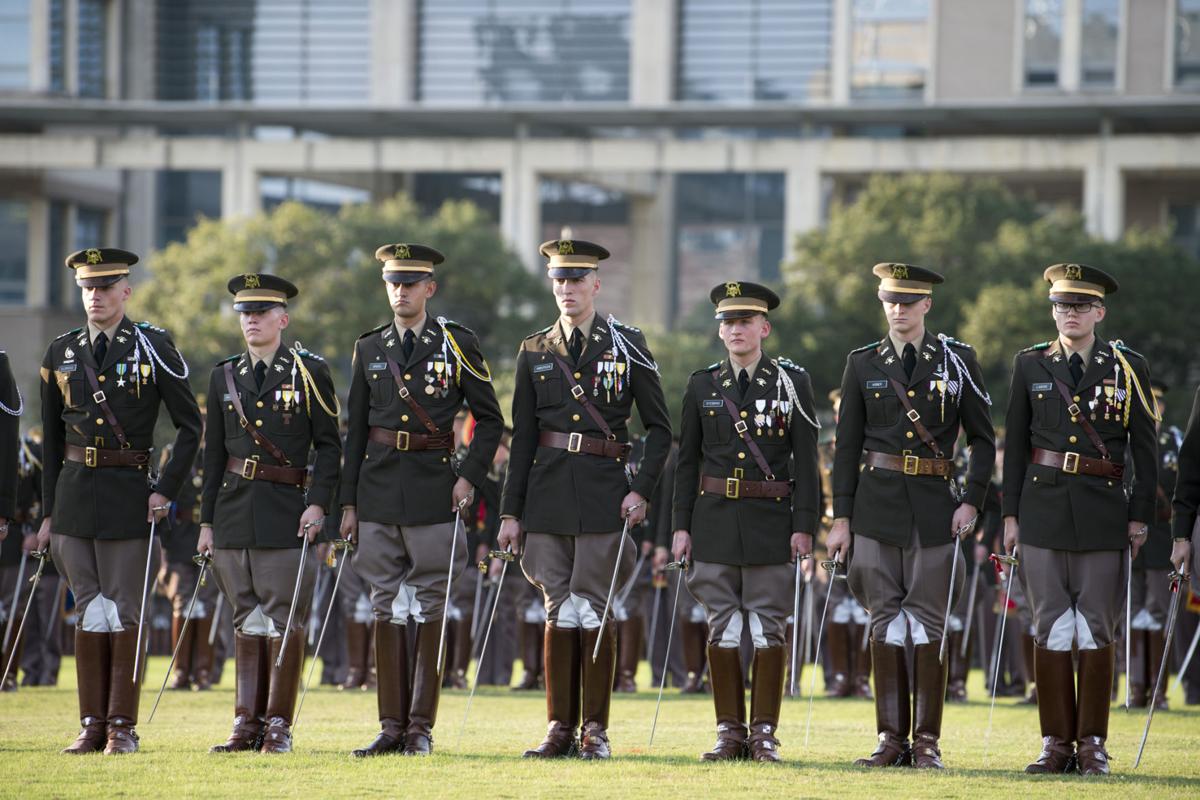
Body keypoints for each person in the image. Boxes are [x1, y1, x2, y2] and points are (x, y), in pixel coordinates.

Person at [498, 238, 671, 760]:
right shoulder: (534, 349)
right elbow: (522, 436)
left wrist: (640, 489)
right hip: (547, 493)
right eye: (559, 279)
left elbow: (660, 430)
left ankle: (595, 730)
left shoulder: (629, 344)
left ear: (597, 284)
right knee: (557, 608)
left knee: (594, 608)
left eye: (577, 279)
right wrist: (510, 511)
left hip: (603, 491)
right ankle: (558, 728)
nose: (567, 288)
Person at [828, 263, 995, 769]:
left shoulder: (957, 361)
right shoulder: (861, 363)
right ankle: (889, 739)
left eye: (908, 300)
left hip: (934, 507)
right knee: (884, 620)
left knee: (928, 624)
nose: (898, 309)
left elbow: (984, 439)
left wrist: (972, 499)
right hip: (876, 508)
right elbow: (847, 447)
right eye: (890, 300)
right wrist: (841, 518)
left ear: (927, 304)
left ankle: (926, 741)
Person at [38, 247, 202, 754]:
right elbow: (48, 438)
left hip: (130, 495)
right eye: (88, 288)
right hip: (71, 498)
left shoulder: (153, 346)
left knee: (126, 611)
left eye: (106, 288)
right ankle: (91, 724)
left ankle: (122, 726)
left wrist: (164, 492)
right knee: (88, 610)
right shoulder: (60, 351)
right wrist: (47, 514)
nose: (96, 297)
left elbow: (191, 427)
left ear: (125, 292)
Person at [340, 244, 502, 757]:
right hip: (379, 489)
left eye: (411, 282)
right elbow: (356, 432)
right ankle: (390, 725)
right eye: (393, 282)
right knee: (385, 605)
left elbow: (490, 419)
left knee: (431, 603)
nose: (401, 291)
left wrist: (468, 477)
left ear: (429, 288)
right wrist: (348, 504)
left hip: (436, 486)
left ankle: (420, 728)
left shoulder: (457, 343)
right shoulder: (369, 348)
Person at [1003, 263, 1159, 775]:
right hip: (1042, 509)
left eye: (1078, 306)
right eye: (1060, 305)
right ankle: (1055, 744)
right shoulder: (1029, 365)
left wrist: (1139, 518)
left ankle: (1092, 743)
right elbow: (1015, 447)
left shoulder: (1128, 366)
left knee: (1095, 628)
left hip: (1102, 511)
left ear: (1099, 312)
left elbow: (1145, 449)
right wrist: (1009, 515)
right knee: (1048, 626)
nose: (1068, 313)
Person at [671, 281, 820, 762]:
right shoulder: (701, 384)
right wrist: (681, 525)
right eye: (728, 322)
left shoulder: (792, 382)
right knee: (724, 627)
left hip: (771, 520)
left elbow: (806, 460)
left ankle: (765, 733)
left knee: (767, 627)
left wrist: (805, 527)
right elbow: (687, 462)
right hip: (713, 520)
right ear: (720, 331)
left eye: (745, 321)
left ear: (764, 327)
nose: (735, 329)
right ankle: (728, 732)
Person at [199, 273, 341, 754]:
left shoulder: (309, 372)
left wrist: (319, 503)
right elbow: (213, 457)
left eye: (261, 312)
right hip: (234, 511)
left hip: (288, 511)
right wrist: (206, 523)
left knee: (285, 618)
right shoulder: (223, 375)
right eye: (245, 312)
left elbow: (329, 446)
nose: (252, 320)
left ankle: (278, 723)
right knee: (246, 618)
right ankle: (246, 722)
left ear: (283, 318)